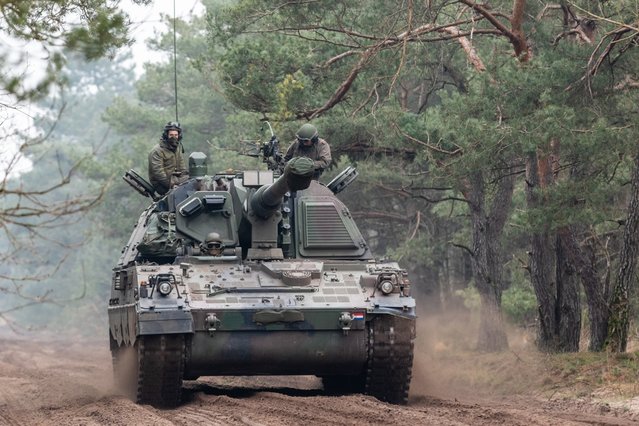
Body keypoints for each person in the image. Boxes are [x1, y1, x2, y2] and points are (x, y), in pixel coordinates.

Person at [148, 121, 189, 195]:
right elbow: (159, 174)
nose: (173, 137)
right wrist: (172, 185)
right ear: (166, 135)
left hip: (176, 181)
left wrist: (185, 181)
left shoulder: (176, 149)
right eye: (171, 135)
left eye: (176, 135)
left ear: (179, 136)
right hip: (163, 185)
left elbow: (182, 169)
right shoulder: (157, 151)